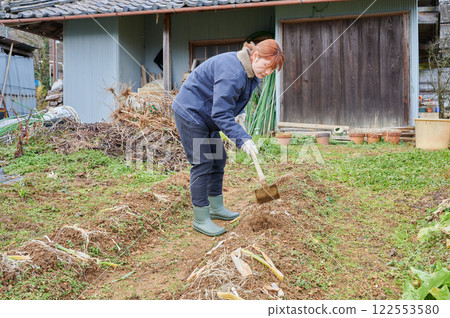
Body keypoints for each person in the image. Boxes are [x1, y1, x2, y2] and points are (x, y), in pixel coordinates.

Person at [172, 39, 284, 237]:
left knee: (218, 158)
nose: (267, 73)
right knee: (202, 162)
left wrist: (238, 113)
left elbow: (227, 103)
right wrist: (243, 139)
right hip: (191, 113)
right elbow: (221, 113)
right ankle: (201, 218)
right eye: (266, 66)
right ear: (255, 56)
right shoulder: (232, 71)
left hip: (207, 114)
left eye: (271, 70)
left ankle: (216, 207)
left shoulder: (250, 72)